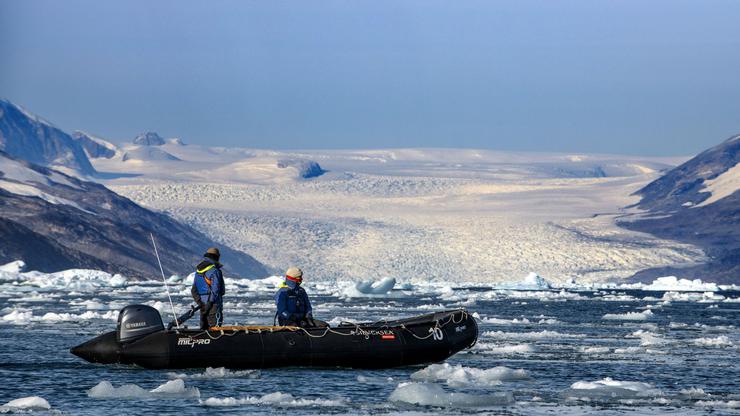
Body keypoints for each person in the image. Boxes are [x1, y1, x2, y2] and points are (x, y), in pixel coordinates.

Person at [191, 247, 225, 329]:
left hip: (202, 305)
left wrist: (200, 303)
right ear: (216, 257)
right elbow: (216, 289)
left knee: (203, 329)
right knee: (214, 330)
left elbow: (194, 290)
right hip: (213, 305)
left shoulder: (198, 271)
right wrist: (210, 303)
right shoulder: (215, 271)